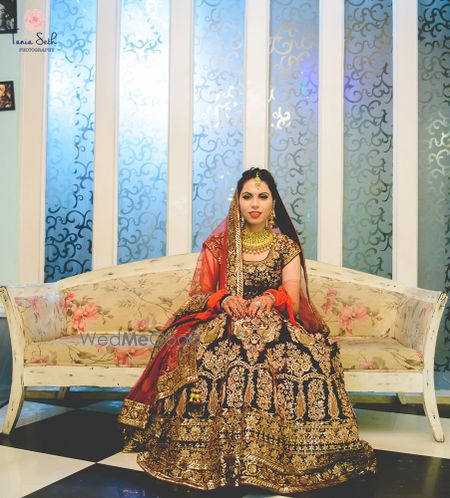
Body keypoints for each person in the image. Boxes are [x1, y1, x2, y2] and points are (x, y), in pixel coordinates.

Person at [118, 167, 376, 494]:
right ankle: (215, 446)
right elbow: (199, 294)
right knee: (212, 354)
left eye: (262, 197)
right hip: (225, 318)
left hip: (275, 319)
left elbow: (293, 299)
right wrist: (223, 298)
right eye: (247, 196)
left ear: (273, 202)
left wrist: (271, 298)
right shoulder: (218, 246)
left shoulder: (285, 246)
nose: (255, 203)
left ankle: (281, 446)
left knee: (297, 358)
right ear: (237, 202)